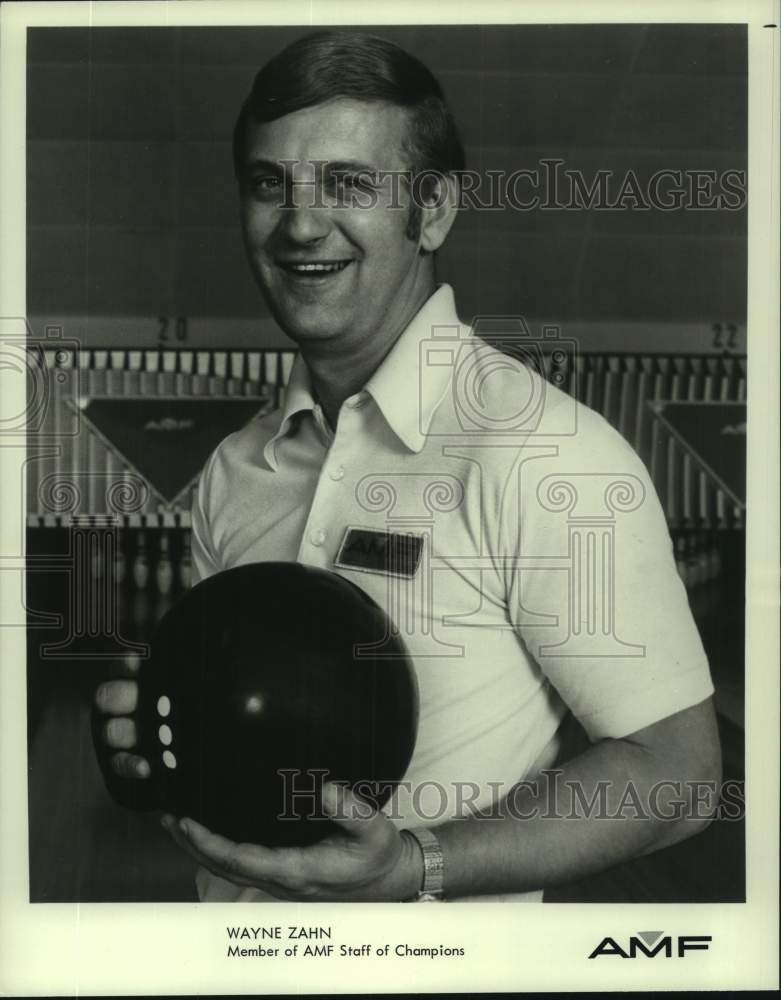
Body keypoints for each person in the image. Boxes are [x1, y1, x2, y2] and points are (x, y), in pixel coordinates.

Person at [94, 30, 721, 903]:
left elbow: (677, 775)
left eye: (349, 184)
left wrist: (414, 865)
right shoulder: (237, 468)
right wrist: (156, 752)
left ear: (432, 212)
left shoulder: (544, 454)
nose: (301, 223)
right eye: (269, 184)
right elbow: (242, 744)